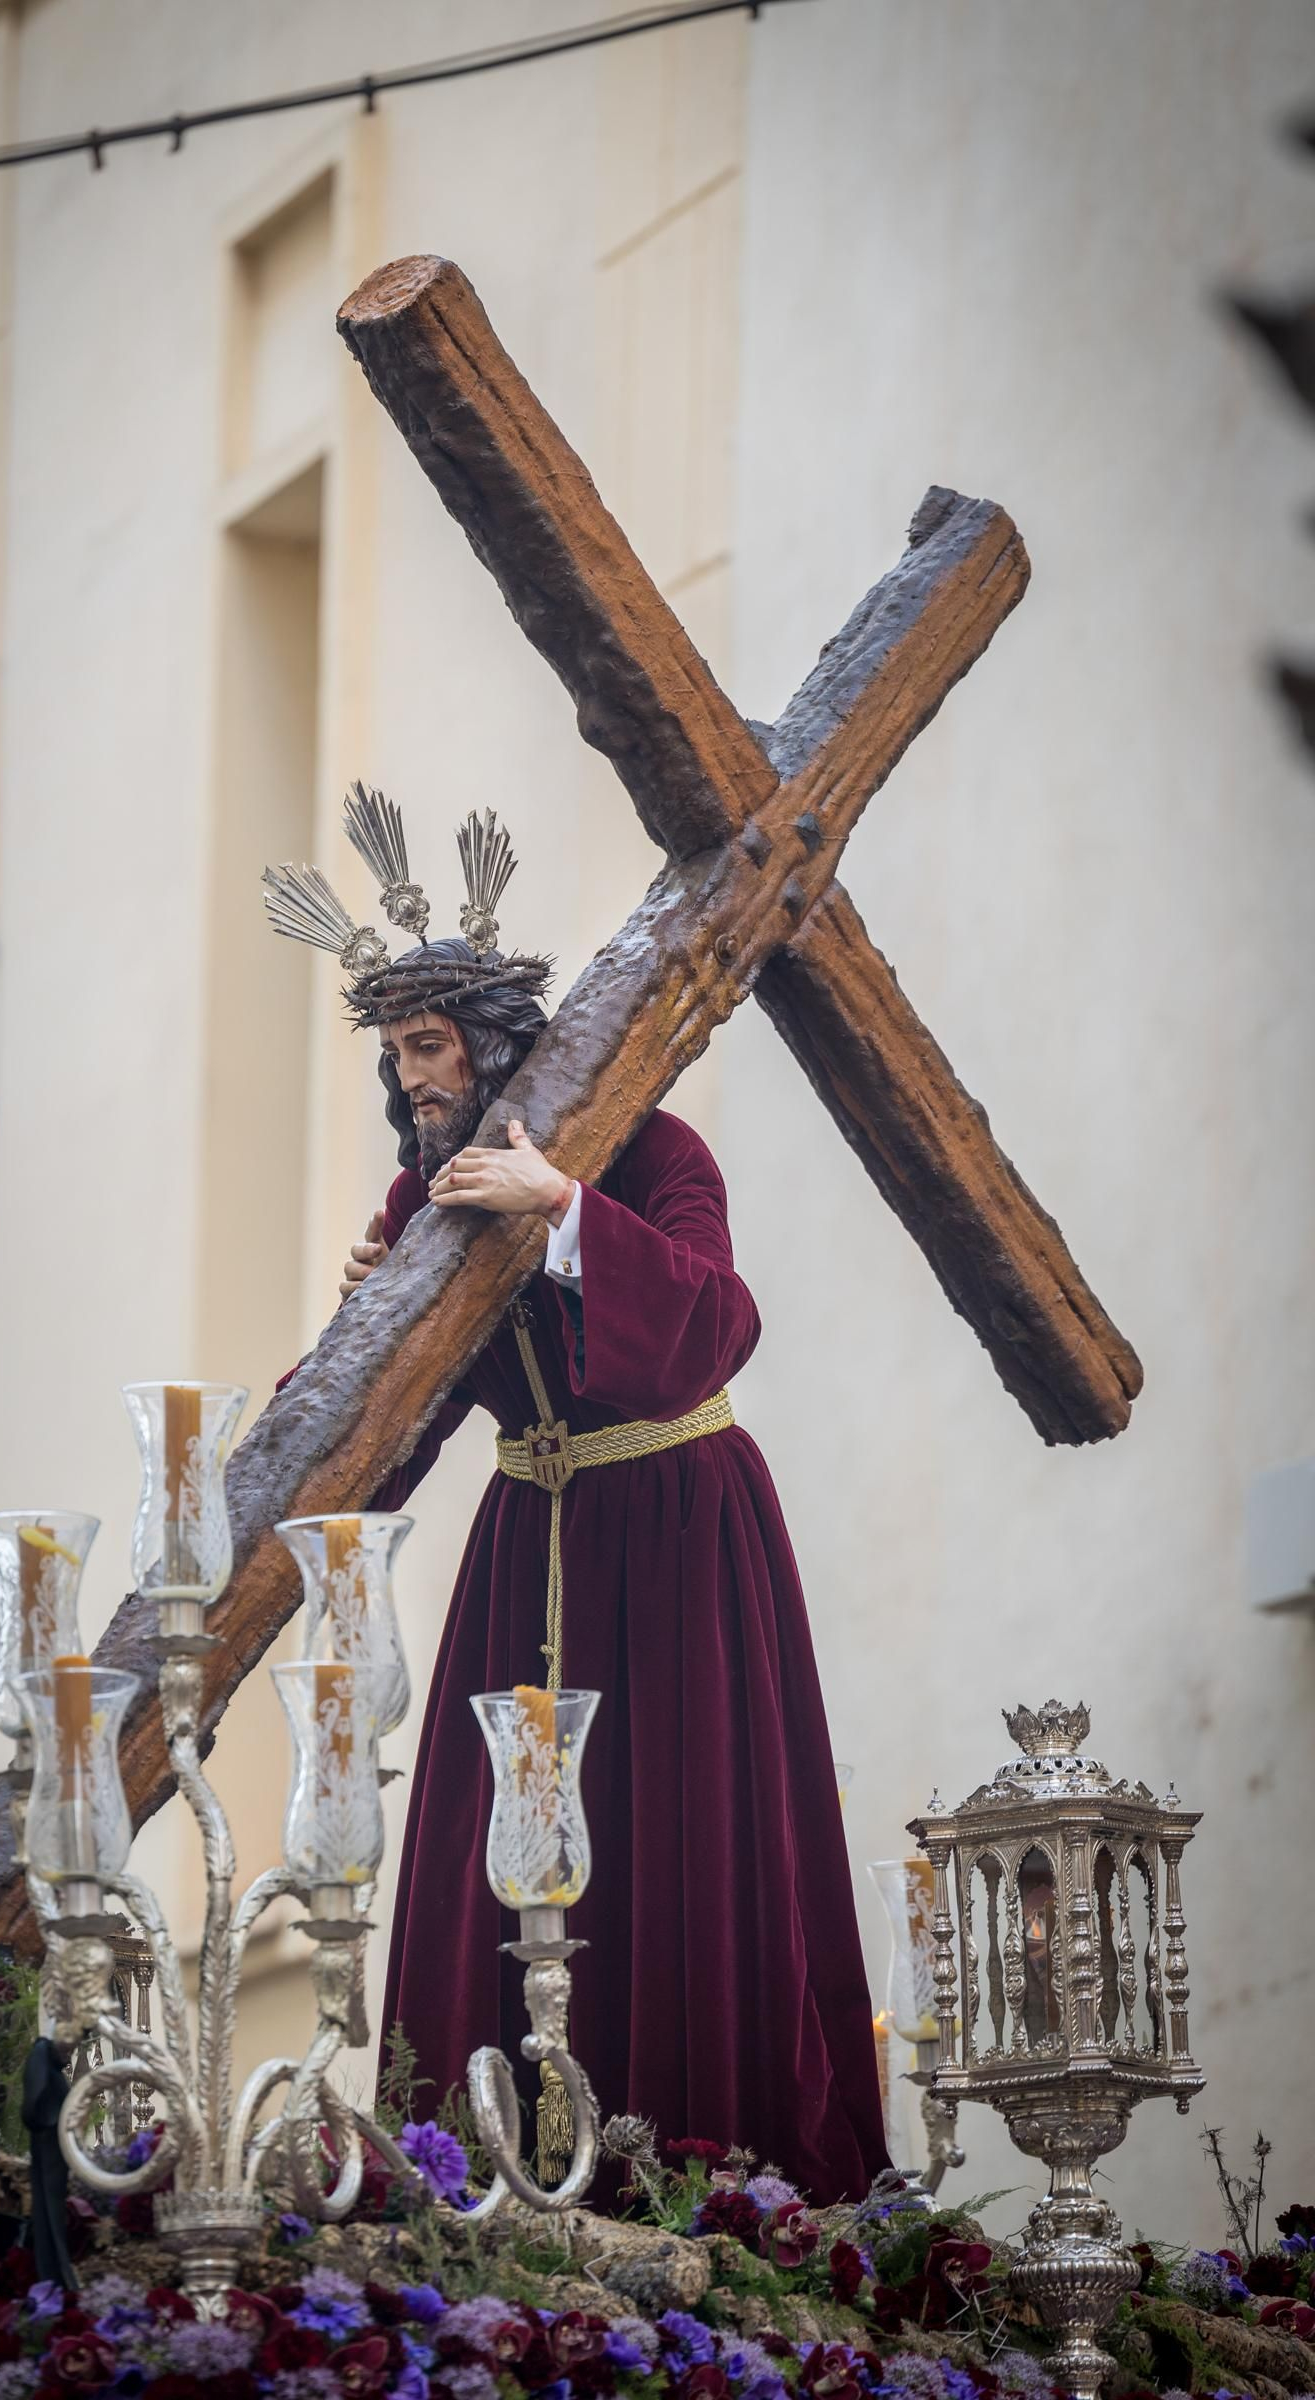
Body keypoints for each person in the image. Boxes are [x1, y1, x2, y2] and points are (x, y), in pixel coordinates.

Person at [263, 789, 888, 2200]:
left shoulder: (656, 1155)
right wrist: (366, 1321)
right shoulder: (417, 1205)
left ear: (491, 1048)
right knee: (496, 1865)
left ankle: (702, 2176)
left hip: (676, 1534)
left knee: (682, 1846)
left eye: (429, 1049)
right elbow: (383, 1442)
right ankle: (486, 2167)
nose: (412, 1081)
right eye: (395, 1056)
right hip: (524, 1541)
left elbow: (715, 1326)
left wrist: (562, 1213)